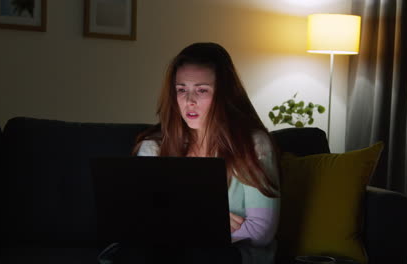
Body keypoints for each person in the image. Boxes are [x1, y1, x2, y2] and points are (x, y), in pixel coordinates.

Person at [99, 42, 280, 264]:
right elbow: (139, 225)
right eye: (181, 89)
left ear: (224, 95)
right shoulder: (155, 146)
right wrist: (210, 222)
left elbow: (261, 232)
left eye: (201, 90)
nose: (189, 101)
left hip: (229, 255)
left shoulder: (253, 144)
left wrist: (173, 224)